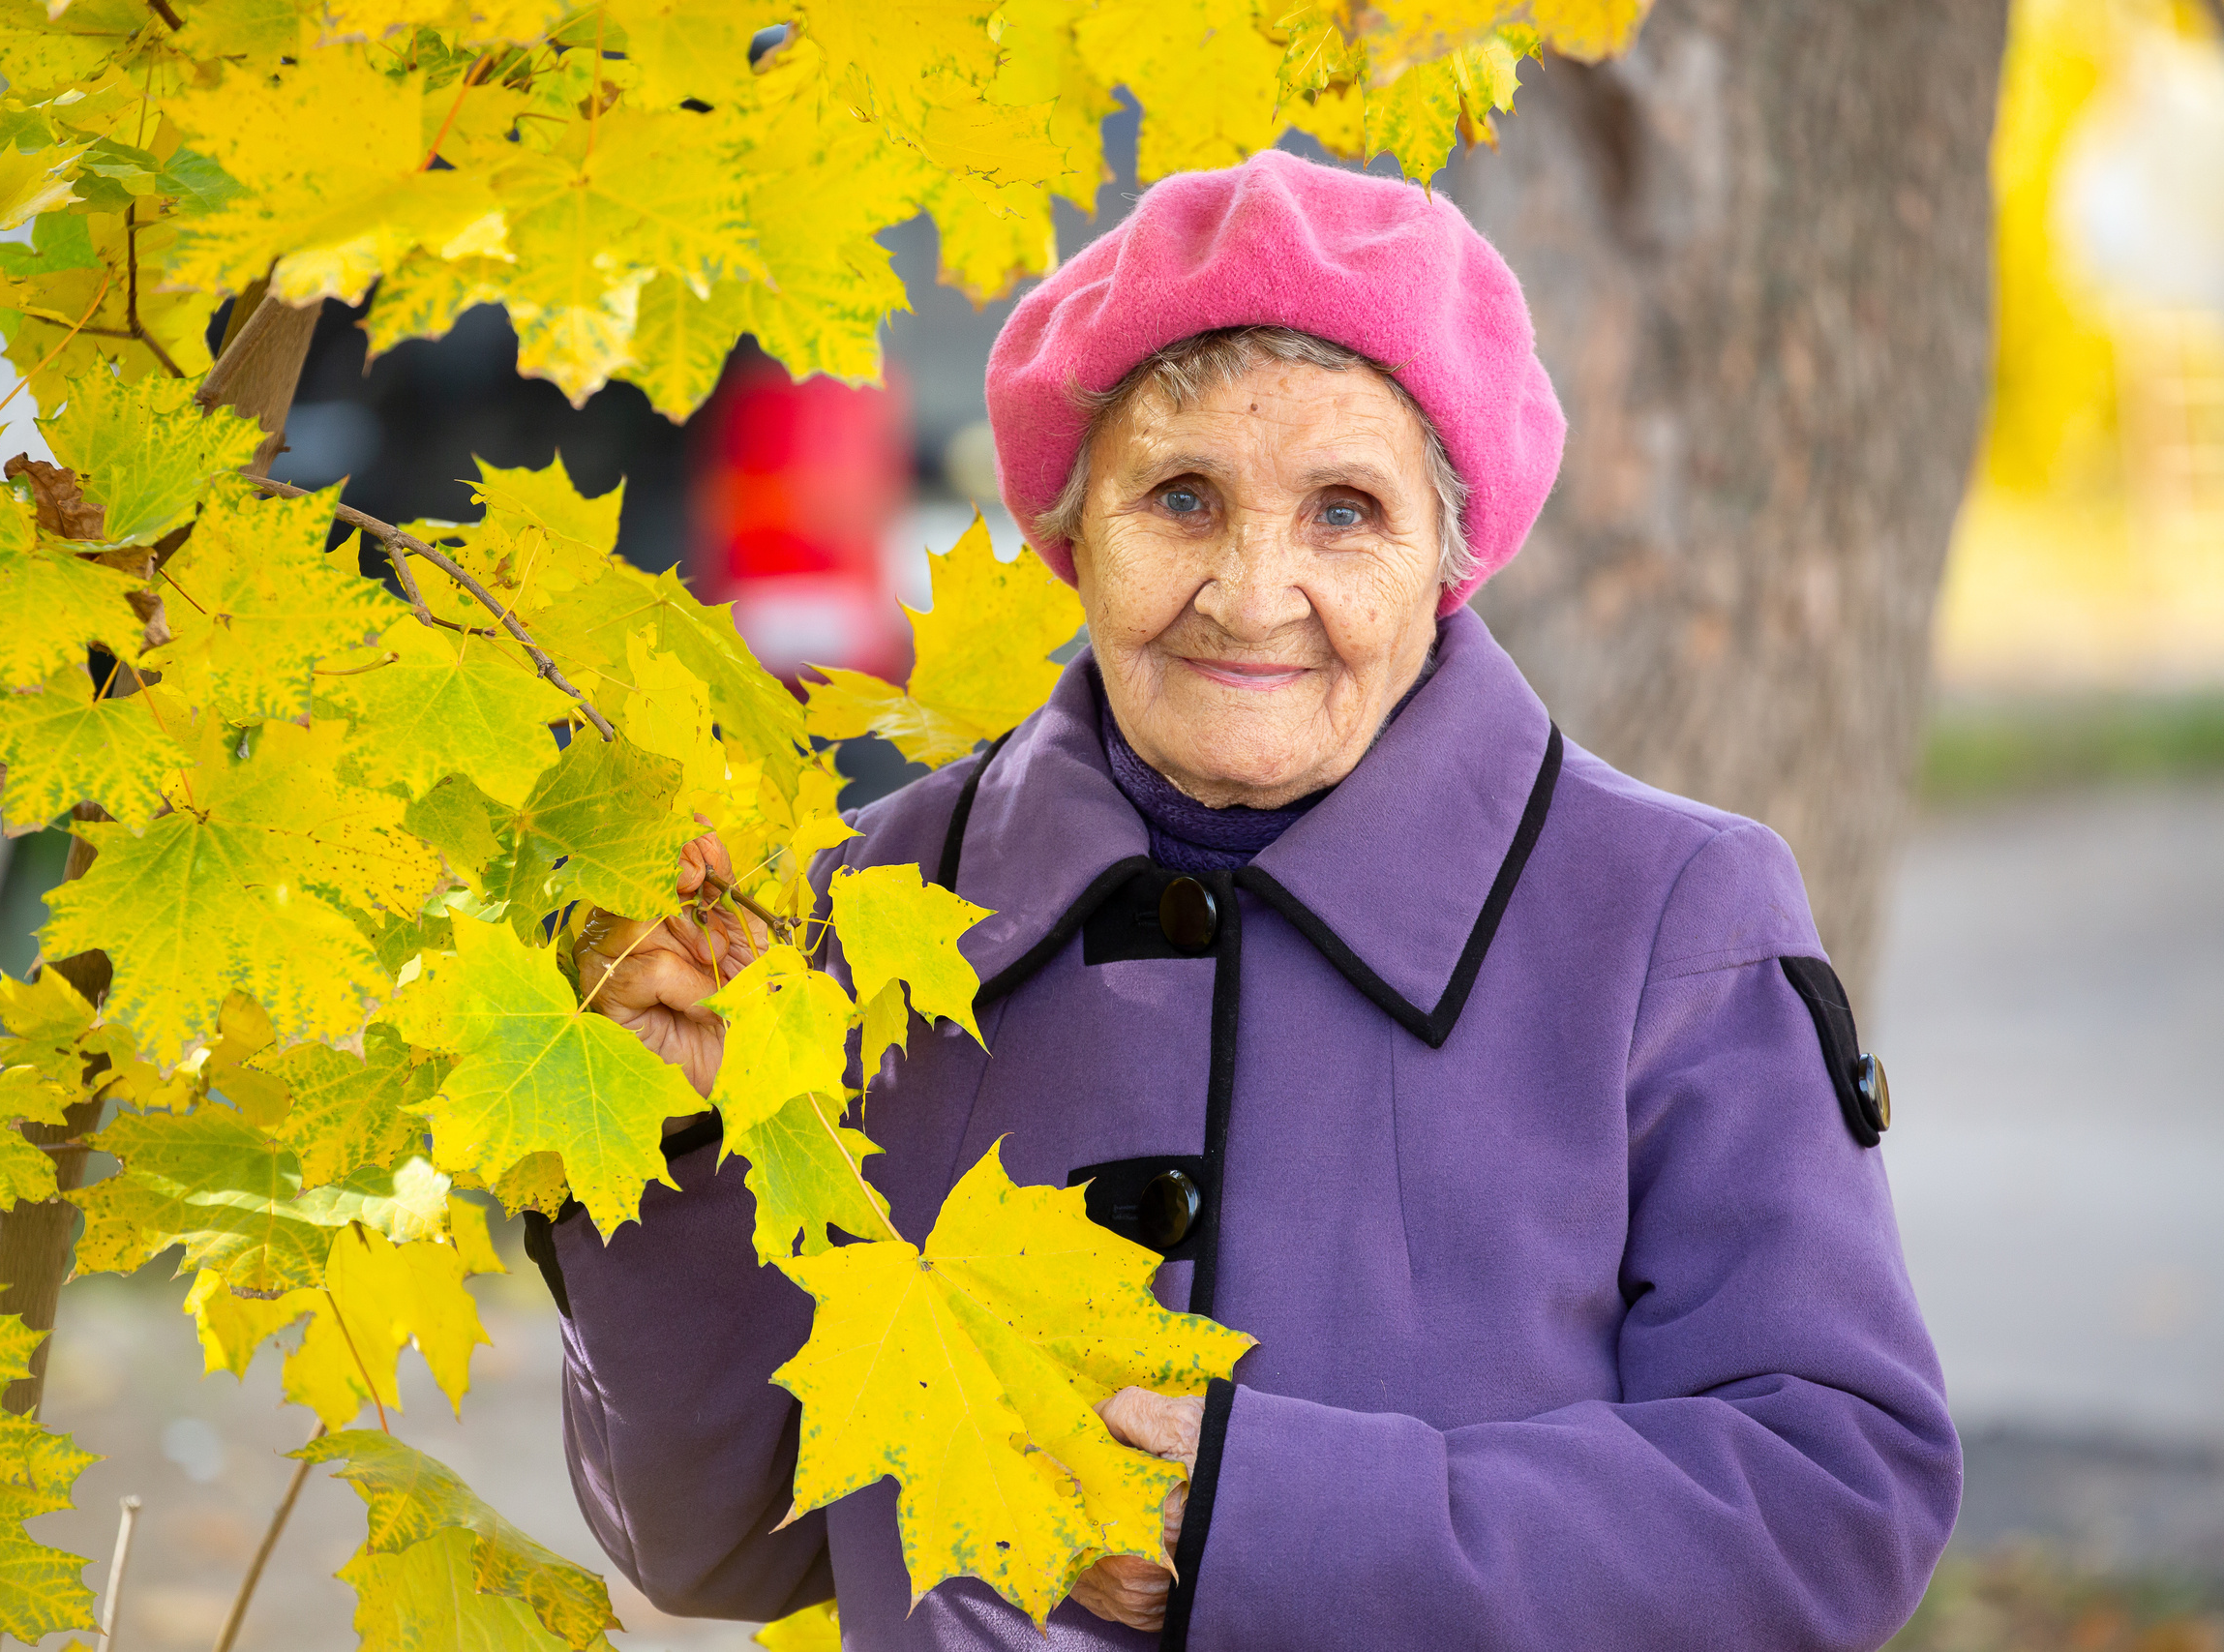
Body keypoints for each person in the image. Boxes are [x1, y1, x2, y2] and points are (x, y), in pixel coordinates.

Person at [536, 149, 1959, 1651]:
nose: (1251, 588)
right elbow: (718, 1548)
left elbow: (1830, 1501)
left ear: (1450, 560)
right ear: (1072, 537)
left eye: (1344, 510)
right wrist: (677, 1147)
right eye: (1183, 497)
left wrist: (1256, 1523)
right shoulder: (861, 903)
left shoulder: (1668, 912)